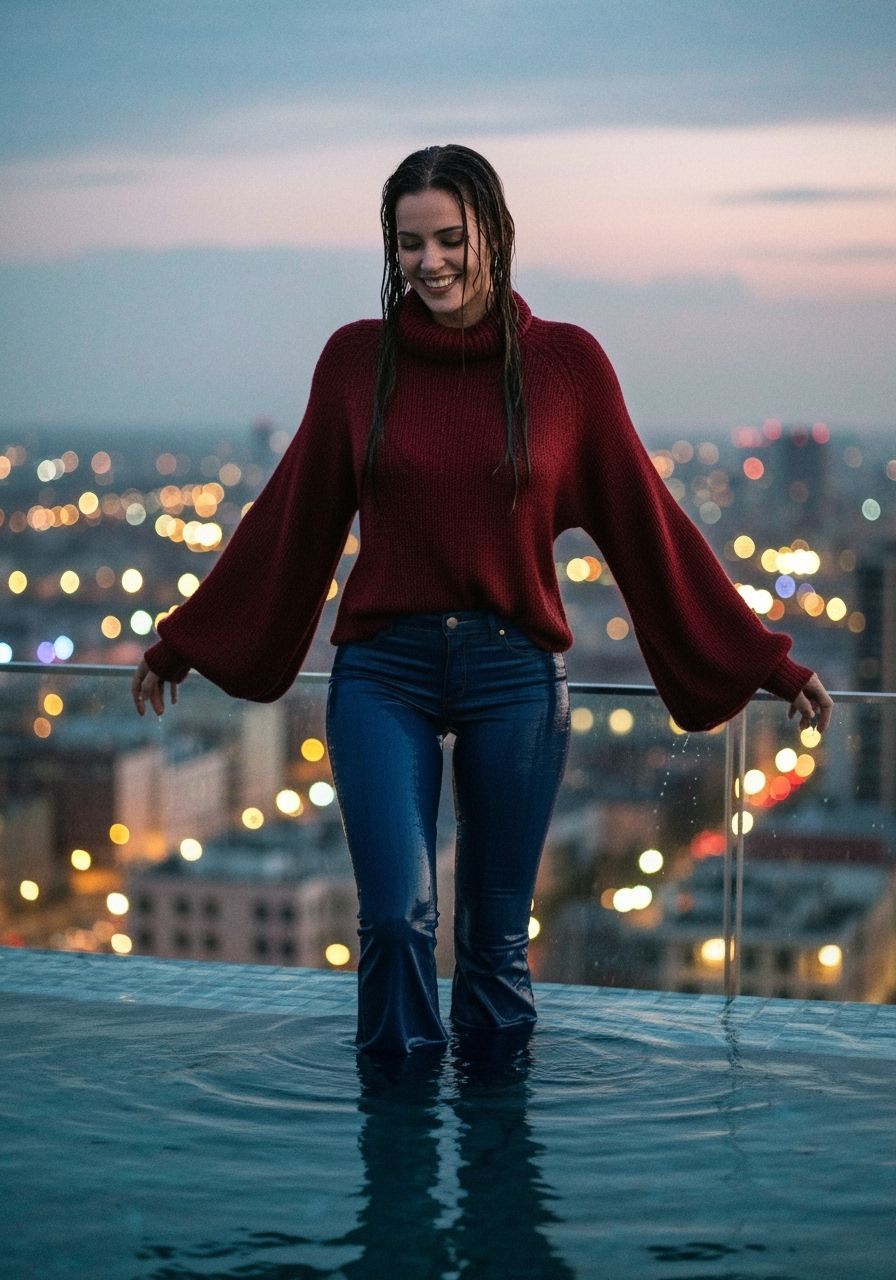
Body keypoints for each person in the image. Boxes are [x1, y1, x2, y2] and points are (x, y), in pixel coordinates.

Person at [132, 144, 833, 1056]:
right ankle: (397, 1132)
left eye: (449, 239)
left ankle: (497, 1136)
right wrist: (183, 642)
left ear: (494, 234)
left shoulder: (567, 366)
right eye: (409, 243)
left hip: (515, 677)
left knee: (496, 942)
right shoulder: (355, 362)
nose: (429, 263)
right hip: (384, 672)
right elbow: (290, 517)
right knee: (396, 918)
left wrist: (764, 660)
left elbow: (647, 523)